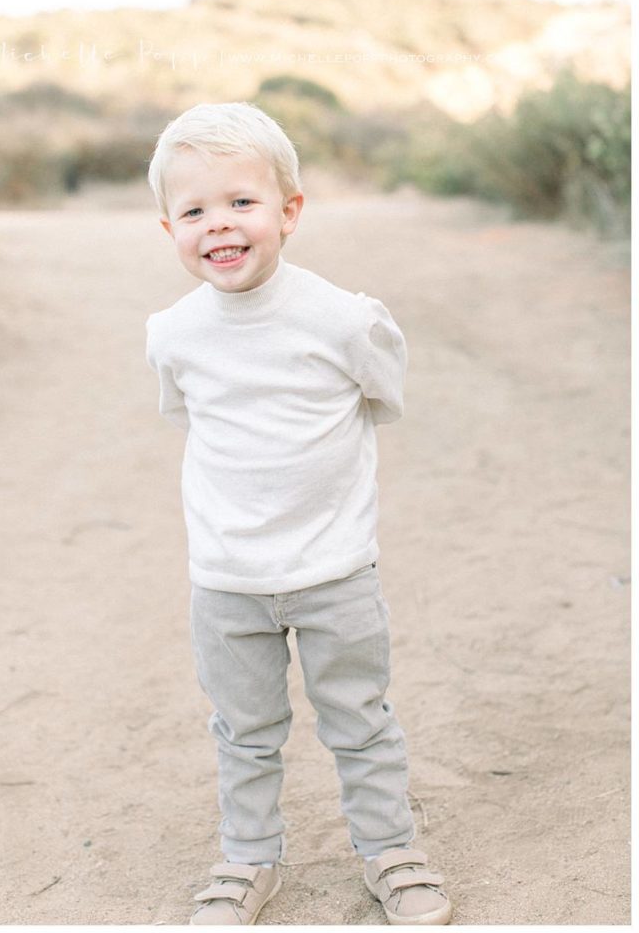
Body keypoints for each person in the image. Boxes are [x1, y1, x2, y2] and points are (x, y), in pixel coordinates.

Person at [145, 102, 452, 925]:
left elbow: (383, 394)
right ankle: (250, 860)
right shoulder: (173, 334)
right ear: (169, 224)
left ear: (289, 211)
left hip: (335, 573)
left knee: (360, 722)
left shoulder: (343, 319)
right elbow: (189, 419)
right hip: (227, 581)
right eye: (196, 210)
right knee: (243, 731)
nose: (220, 226)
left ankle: (392, 851)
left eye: (242, 202)